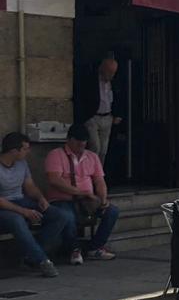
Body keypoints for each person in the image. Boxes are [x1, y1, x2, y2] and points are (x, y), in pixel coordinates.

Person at [44, 123, 120, 264]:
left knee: (112, 211)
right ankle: (74, 249)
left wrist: (102, 199)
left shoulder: (92, 157)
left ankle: (95, 247)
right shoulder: (56, 155)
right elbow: (54, 180)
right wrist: (79, 192)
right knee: (67, 215)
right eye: (78, 142)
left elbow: (99, 180)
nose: (81, 145)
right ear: (69, 139)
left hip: (87, 200)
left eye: (84, 142)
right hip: (63, 198)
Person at [0, 132, 73, 277]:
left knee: (60, 216)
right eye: (25, 149)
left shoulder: (22, 163)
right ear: (14, 151)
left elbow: (29, 186)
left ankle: (31, 254)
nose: (28, 152)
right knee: (17, 220)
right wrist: (23, 211)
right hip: (4, 205)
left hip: (21, 199)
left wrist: (40, 198)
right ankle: (42, 260)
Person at [79, 53, 123, 164]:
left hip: (107, 117)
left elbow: (119, 98)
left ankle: (97, 176)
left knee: (103, 150)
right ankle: (88, 174)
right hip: (93, 117)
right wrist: (85, 116)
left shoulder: (115, 82)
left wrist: (118, 114)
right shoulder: (90, 81)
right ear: (102, 69)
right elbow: (82, 98)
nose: (111, 75)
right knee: (95, 147)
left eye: (113, 72)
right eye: (109, 72)